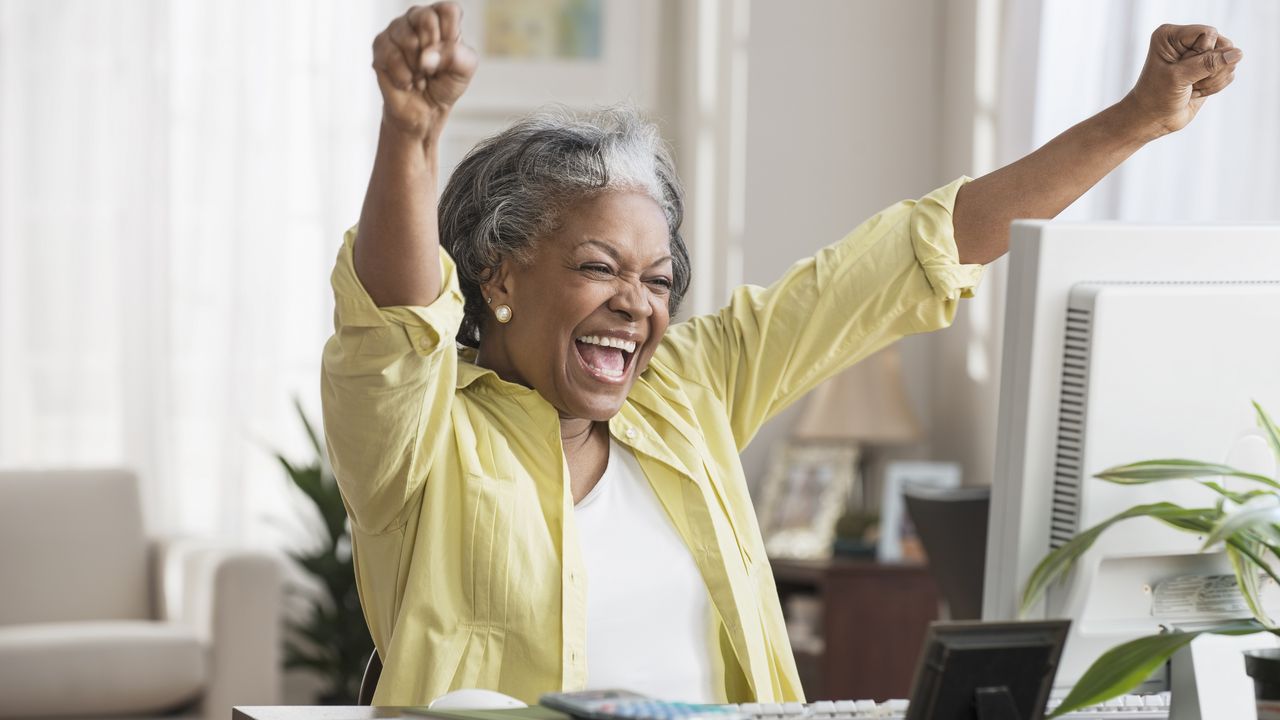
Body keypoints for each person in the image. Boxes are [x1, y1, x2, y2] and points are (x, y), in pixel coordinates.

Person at [321, 2, 1242, 706]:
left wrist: (1138, 119)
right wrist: (412, 133)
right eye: (600, 268)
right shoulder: (419, 438)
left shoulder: (690, 389)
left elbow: (920, 250)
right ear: (499, 279)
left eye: (656, 279)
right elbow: (394, 325)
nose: (635, 308)